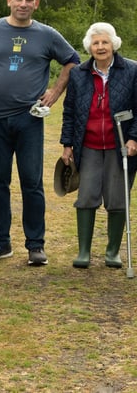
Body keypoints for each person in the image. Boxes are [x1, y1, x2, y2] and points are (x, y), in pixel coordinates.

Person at [0, 0, 80, 266]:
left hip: (30, 119)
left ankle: (35, 245)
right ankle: (0, 243)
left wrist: (55, 92)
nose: (23, 3)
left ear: (36, 4)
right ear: (9, 0)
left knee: (31, 183)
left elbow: (72, 61)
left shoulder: (46, 35)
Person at [60, 22, 137, 269]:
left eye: (105, 42)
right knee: (86, 197)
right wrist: (67, 144)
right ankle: (84, 252)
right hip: (89, 145)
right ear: (89, 47)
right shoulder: (78, 73)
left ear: (113, 44)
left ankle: (112, 252)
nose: (101, 47)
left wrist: (134, 138)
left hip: (120, 145)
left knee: (117, 199)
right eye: (96, 43)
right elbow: (69, 111)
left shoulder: (132, 70)